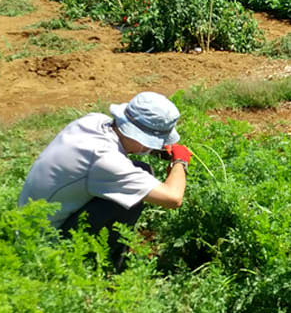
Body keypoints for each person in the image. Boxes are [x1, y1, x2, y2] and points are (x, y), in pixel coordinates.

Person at [18, 92, 192, 266]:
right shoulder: (106, 161)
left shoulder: (93, 121)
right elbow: (173, 198)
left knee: (142, 170)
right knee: (131, 199)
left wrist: (153, 150)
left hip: (27, 225)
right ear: (142, 139)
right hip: (43, 245)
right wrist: (180, 161)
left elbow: (126, 145)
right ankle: (101, 266)